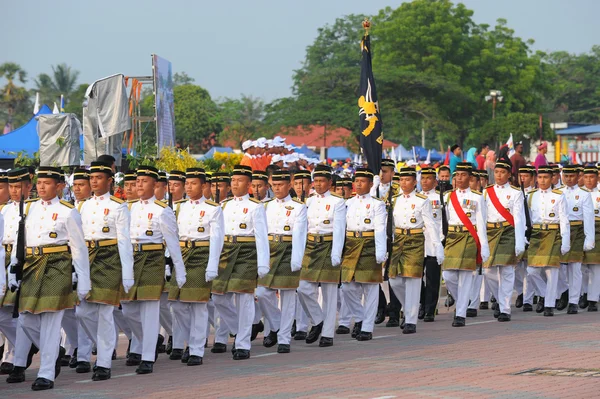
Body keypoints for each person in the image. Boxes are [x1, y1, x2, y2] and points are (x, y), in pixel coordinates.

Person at [8, 166, 90, 390]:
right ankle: (54, 351)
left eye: (47, 183)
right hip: (31, 266)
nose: (41, 187)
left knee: (51, 322)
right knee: (26, 319)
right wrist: (13, 268)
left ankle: (46, 374)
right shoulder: (30, 207)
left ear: (60, 186)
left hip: (57, 266)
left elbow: (79, 249)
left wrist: (83, 281)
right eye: (39, 183)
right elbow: (20, 238)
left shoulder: (67, 210)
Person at [121, 165, 186, 375]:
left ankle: (147, 356)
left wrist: (180, 270)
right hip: (131, 258)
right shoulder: (127, 208)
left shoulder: (162, 210)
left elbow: (173, 243)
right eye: (137, 181)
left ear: (155, 184)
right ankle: (147, 339)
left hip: (152, 259)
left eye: (144, 181)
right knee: (129, 308)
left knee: (149, 311)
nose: (139, 185)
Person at [76, 161, 134, 381]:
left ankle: (103, 363)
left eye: (99, 178)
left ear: (110, 181)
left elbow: (124, 242)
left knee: (105, 313)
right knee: (83, 312)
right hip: (87, 259)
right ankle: (104, 346)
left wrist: (127, 273)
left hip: (110, 259)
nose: (94, 182)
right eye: (92, 178)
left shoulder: (118, 206)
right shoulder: (82, 206)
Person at [210, 165, 269, 360]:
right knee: (218, 297)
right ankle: (239, 329)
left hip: (247, 252)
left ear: (249, 184)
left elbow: (261, 236)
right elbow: (217, 234)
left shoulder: (255, 206)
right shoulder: (224, 205)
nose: (235, 184)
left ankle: (243, 343)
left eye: (240, 180)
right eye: (233, 180)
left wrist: (263, 263)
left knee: (244, 299)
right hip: (226, 251)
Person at [169, 168, 224, 366]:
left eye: (194, 183)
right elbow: (172, 235)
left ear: (204, 186)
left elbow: (217, 238)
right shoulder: (178, 207)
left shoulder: (212, 208)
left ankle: (196, 350)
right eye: (188, 183)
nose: (189, 187)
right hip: (182, 256)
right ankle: (191, 342)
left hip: (201, 255)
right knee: (177, 305)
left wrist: (212, 265)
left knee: (199, 306)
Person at [257, 170, 307, 353]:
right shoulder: (265, 206)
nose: (277, 188)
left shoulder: (298, 207)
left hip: (288, 250)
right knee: (262, 292)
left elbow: (300, 235)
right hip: (269, 251)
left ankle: (284, 338)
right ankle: (277, 325)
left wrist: (297, 258)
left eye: (280, 185)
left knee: (287, 297)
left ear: (289, 185)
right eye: (274, 185)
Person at [297, 164, 346, 347]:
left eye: (321, 181)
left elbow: (340, 229)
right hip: (311, 245)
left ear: (329, 182)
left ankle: (327, 334)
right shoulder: (308, 201)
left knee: (329, 292)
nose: (318, 184)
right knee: (303, 287)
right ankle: (318, 320)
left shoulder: (337, 201)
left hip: (328, 244)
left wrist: (336, 252)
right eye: (315, 181)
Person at [390, 167, 442, 334]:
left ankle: (411, 320)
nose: (404, 183)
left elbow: (431, 224)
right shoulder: (394, 199)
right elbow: (390, 225)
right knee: (394, 280)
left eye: (407, 180)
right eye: (401, 180)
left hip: (415, 240)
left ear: (414, 182)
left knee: (412, 281)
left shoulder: (421, 200)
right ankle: (408, 307)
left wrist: (437, 245)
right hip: (398, 241)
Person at [340, 168, 386, 340]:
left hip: (369, 244)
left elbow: (380, 228)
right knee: (347, 286)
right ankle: (360, 317)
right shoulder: (347, 203)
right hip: (351, 244)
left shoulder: (377, 204)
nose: (358, 184)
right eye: (356, 181)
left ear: (370, 183)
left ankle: (367, 327)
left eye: (362, 181)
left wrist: (380, 251)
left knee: (370, 288)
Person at [442, 162, 489, 327]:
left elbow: (482, 224)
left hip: (470, 237)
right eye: (457, 175)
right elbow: (444, 222)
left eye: (463, 175)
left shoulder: (477, 197)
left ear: (469, 177)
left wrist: (484, 247)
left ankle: (460, 313)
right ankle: (463, 298)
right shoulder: (448, 196)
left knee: (465, 276)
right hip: (453, 237)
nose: (459, 178)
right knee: (448, 275)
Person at [482, 158, 526, 322]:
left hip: (508, 232)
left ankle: (505, 308)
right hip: (491, 232)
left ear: (509, 174)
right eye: (497, 172)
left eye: (502, 172)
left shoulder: (515, 193)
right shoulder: (486, 192)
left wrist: (520, 242)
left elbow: (519, 219)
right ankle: (500, 300)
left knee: (507, 272)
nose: (499, 175)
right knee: (488, 271)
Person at [526, 166, 570, 316]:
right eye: (540, 177)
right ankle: (546, 294)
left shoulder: (559, 196)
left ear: (552, 179)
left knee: (552, 272)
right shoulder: (531, 196)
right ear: (536, 179)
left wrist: (565, 241)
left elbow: (564, 220)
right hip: (537, 233)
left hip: (553, 233)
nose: (542, 180)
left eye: (546, 177)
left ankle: (549, 305)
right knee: (531, 270)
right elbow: (527, 220)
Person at [557, 165, 595, 314]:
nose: (568, 179)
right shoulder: (558, 192)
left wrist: (589, 239)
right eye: (566, 176)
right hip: (560, 231)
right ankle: (564, 292)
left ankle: (573, 301)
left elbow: (589, 218)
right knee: (558, 268)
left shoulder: (584, 194)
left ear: (578, 176)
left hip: (577, 231)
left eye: (572, 176)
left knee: (575, 269)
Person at [418, 167, 444, 322]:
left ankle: (430, 309)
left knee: (432, 278)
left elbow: (443, 221)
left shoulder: (441, 198)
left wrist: (440, 240)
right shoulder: (416, 198)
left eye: (428, 179)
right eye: (423, 178)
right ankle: (421, 303)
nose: (425, 181)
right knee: (416, 277)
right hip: (418, 242)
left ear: (435, 181)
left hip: (434, 242)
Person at [516, 165, 537, 311]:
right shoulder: (515, 193)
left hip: (532, 233)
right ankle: (520, 292)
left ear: (532, 178)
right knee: (516, 268)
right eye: (520, 176)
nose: (522, 179)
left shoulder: (536, 194)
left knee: (530, 269)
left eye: (526, 176)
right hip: (518, 232)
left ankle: (528, 298)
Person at [582, 166, 600, 311]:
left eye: (592, 177)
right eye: (586, 177)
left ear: (597, 178)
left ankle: (593, 299)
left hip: (598, 229)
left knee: (595, 266)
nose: (588, 180)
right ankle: (583, 294)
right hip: (579, 230)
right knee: (579, 267)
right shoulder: (579, 193)